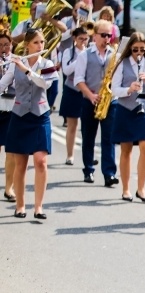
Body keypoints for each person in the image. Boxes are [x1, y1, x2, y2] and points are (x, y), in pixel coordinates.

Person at [1, 29, 56, 219]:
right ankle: (20, 206)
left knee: (41, 161)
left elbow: (44, 84)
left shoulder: (47, 64)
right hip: (20, 115)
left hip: (40, 115)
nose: (40, 46)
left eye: (42, 42)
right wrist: (16, 66)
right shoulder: (15, 63)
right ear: (27, 45)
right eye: (36, 43)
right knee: (20, 164)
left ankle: (38, 207)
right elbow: (2, 85)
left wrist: (26, 70)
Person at [110, 32, 145, 203]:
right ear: (130, 48)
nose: (139, 53)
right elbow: (114, 89)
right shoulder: (122, 64)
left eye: (142, 49)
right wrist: (129, 89)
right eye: (135, 49)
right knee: (126, 149)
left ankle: (141, 188)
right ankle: (126, 189)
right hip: (125, 108)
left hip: (144, 108)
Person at [74, 20, 118, 187]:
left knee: (109, 138)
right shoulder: (85, 55)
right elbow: (78, 79)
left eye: (109, 35)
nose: (107, 39)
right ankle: (88, 169)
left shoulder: (115, 54)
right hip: (90, 100)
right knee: (88, 137)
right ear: (95, 35)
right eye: (103, 35)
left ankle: (109, 173)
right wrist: (90, 95)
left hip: (110, 101)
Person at [59, 26, 88, 166]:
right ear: (74, 38)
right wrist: (80, 58)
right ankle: (70, 155)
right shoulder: (68, 52)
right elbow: (66, 70)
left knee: (88, 126)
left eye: (86, 39)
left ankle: (88, 155)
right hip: (71, 89)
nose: (83, 41)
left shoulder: (90, 51)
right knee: (72, 124)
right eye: (80, 38)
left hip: (86, 91)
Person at [0, 31, 15, 202]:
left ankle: (8, 188)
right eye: (0, 45)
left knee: (11, 151)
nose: (3, 48)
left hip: (11, 108)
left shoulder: (17, 61)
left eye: (6, 45)